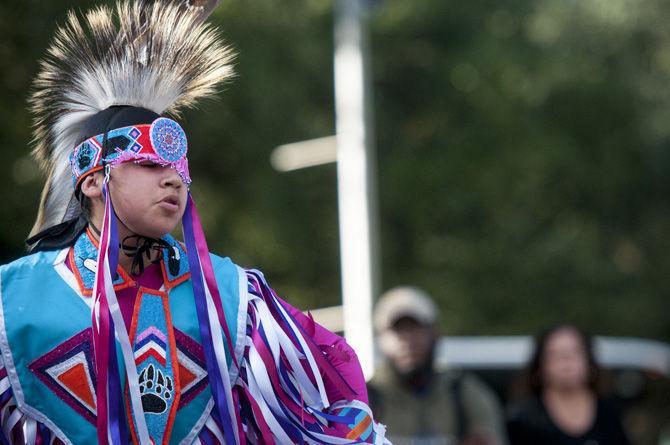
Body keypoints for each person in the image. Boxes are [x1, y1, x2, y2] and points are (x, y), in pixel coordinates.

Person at [0, 1, 389, 444]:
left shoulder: (234, 299)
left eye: (179, 170)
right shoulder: (13, 303)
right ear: (92, 180)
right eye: (147, 163)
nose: (172, 179)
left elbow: (323, 399)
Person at [367, 286, 508, 445]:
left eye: (415, 328)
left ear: (435, 333)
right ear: (379, 339)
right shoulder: (365, 401)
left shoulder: (468, 395)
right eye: (397, 330)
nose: (407, 340)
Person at [506, 324, 630, 445]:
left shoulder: (610, 412)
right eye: (555, 354)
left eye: (575, 352)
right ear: (539, 367)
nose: (566, 361)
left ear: (589, 361)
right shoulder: (524, 420)